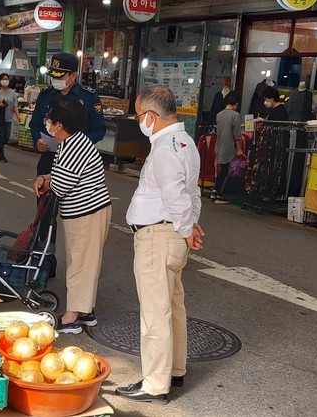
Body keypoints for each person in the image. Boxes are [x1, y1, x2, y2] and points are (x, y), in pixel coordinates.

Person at [116, 86, 204, 405]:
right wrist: (189, 226)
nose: (140, 122)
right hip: (173, 237)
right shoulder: (186, 143)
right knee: (174, 306)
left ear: (151, 116)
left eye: (140, 116)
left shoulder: (166, 148)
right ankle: (175, 370)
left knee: (155, 312)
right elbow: (192, 194)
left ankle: (155, 383)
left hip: (158, 237)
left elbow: (175, 196)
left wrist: (186, 228)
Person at [32, 94, 111, 334]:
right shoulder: (72, 142)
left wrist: (46, 182)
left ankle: (72, 317)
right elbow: (61, 177)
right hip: (87, 210)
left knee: (80, 264)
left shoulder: (73, 147)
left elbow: (61, 186)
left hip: (87, 212)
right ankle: (85, 312)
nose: (47, 122)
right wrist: (46, 177)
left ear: (59, 124)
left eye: (50, 119)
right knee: (86, 262)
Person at [29, 52, 106, 176]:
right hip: (49, 158)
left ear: (73, 75)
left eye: (60, 76)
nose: (55, 80)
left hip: (78, 160)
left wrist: (77, 144)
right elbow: (35, 124)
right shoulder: (45, 96)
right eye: (53, 76)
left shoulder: (89, 98)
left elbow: (99, 129)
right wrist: (38, 140)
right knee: (44, 191)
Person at [210, 91, 244, 204]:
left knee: (222, 169)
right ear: (236, 103)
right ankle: (219, 194)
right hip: (229, 146)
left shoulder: (219, 114)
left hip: (220, 144)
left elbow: (218, 132)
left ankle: (215, 190)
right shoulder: (235, 115)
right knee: (226, 171)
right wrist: (239, 149)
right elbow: (237, 135)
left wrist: (216, 145)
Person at [0, 73, 20, 163]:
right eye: (3, 79)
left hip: (8, 117)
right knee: (0, 137)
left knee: (6, 137)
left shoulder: (12, 92)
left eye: (7, 79)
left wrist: (18, 115)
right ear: (0, 80)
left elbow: (15, 105)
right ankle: (1, 155)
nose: (5, 81)